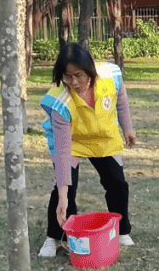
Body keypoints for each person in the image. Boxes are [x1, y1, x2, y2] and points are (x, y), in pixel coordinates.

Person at [38, 42, 137, 258]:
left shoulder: (111, 75)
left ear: (89, 70)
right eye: (67, 76)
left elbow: (121, 99)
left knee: (117, 183)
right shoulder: (59, 101)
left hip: (103, 137)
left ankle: (121, 231)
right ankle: (54, 237)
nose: (74, 82)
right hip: (72, 142)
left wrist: (128, 128)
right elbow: (63, 152)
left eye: (78, 75)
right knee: (67, 189)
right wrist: (63, 197)